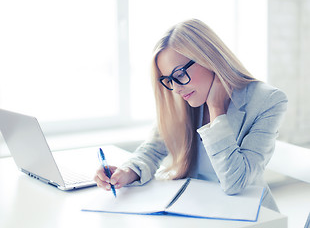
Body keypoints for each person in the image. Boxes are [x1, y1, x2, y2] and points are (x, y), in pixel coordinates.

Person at [94, 19, 288, 211]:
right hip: (197, 208)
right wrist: (127, 172)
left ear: (209, 58)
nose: (176, 89)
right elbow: (152, 150)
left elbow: (236, 183)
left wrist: (216, 109)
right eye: (168, 80)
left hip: (250, 216)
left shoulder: (268, 100)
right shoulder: (183, 99)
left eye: (179, 75)